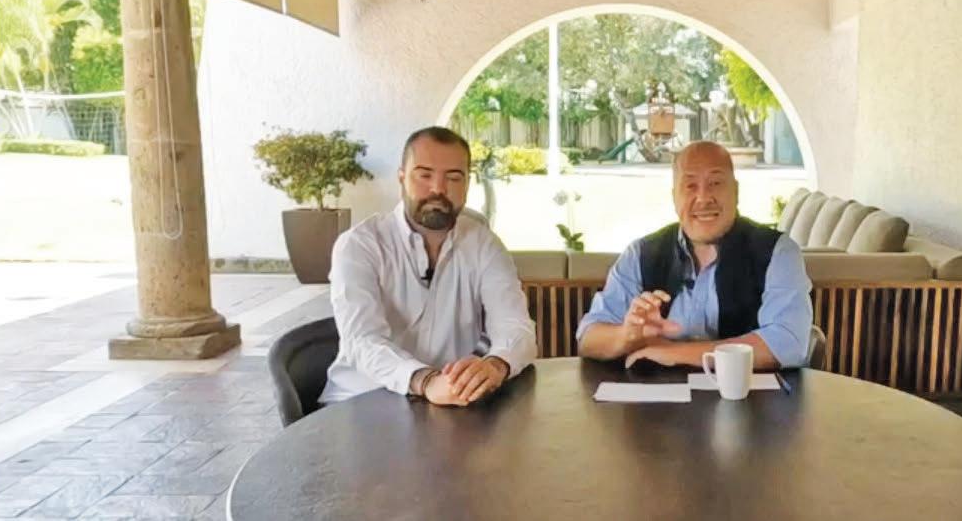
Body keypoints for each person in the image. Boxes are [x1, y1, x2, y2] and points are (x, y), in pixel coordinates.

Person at [318, 127, 536, 406]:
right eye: (424, 175)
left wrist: (496, 364)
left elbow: (516, 326)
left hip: (449, 404)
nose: (438, 189)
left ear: (467, 183)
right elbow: (363, 341)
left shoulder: (483, 243)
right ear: (401, 178)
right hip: (360, 402)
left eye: (454, 177)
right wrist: (426, 380)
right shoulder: (360, 245)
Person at [576, 141, 812, 369]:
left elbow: (788, 343)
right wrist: (627, 335)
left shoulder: (777, 253)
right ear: (674, 197)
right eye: (690, 186)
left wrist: (672, 352)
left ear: (736, 191)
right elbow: (589, 337)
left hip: (750, 395)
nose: (704, 198)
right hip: (657, 395)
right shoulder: (641, 254)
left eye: (716, 183)